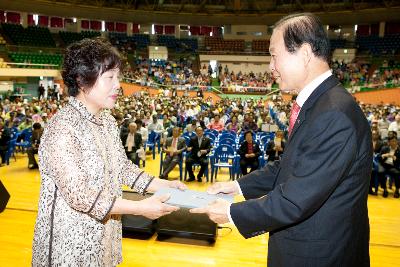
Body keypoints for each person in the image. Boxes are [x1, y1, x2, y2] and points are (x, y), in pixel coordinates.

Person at [191, 13, 372, 266]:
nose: (270, 66)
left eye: (275, 55)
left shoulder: (334, 114)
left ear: (306, 53)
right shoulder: (321, 103)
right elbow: (290, 165)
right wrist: (238, 187)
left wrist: (231, 213)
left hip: (319, 256)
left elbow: (297, 199)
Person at [32, 38, 186, 266]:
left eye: (118, 77)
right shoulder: (62, 128)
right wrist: (140, 208)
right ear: (82, 81)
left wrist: (163, 184)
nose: (118, 85)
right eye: (110, 77)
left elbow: (122, 168)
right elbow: (80, 195)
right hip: (70, 243)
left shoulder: (106, 121)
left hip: (105, 236)